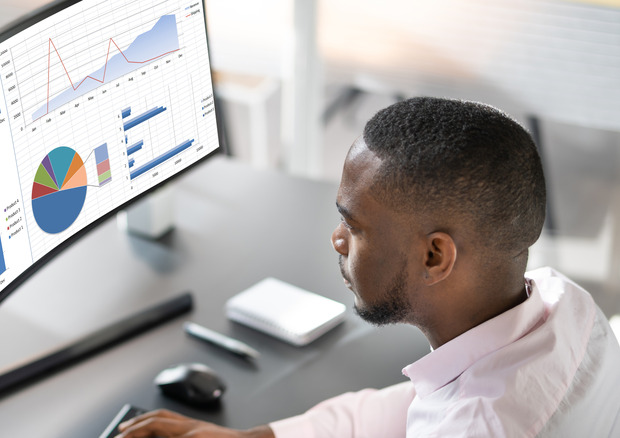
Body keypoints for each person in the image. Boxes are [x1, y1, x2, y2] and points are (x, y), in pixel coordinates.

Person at [116, 97, 620, 437]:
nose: (336, 239)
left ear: (434, 256)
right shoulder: (567, 306)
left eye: (354, 226)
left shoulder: (479, 425)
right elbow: (415, 405)